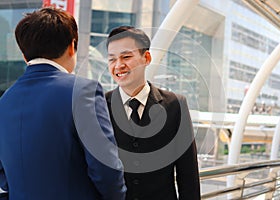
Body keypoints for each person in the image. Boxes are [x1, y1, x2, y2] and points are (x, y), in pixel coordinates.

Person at [0, 7, 126, 200]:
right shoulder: (83, 91)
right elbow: (106, 168)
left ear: (25, 55)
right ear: (71, 46)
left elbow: (3, 178)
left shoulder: (5, 100)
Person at [105, 26, 200, 200]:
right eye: (112, 59)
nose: (118, 65)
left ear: (146, 57)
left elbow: (188, 172)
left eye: (126, 56)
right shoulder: (100, 105)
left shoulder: (175, 105)